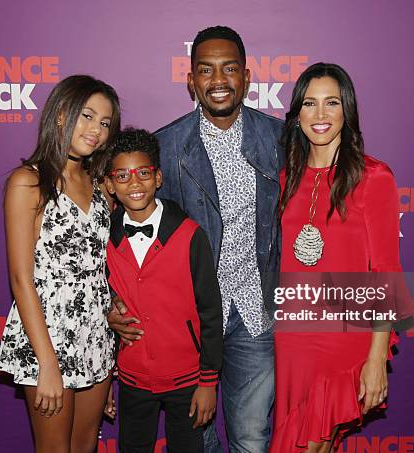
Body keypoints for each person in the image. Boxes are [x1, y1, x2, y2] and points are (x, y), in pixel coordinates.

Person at [107, 26, 284, 453]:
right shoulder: (164, 147)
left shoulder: (281, 139)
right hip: (185, 323)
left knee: (251, 436)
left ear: (246, 76)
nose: (218, 81)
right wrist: (112, 305)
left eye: (229, 69)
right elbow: (124, 236)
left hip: (254, 314)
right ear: (191, 80)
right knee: (195, 442)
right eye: (205, 70)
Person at [270, 63, 414, 453]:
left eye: (331, 103)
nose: (320, 115)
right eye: (310, 104)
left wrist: (377, 357)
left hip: (344, 337)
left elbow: (386, 272)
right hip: (292, 338)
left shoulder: (374, 177)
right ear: (297, 114)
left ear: (346, 111)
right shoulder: (285, 178)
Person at [0, 75, 120, 453]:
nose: (95, 130)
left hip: (96, 335)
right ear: (62, 115)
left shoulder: (101, 187)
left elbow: (101, 268)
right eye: (87, 115)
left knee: (85, 447)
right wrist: (47, 364)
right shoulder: (27, 183)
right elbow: (21, 280)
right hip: (46, 336)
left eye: (104, 123)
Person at [104, 128, 223, 453]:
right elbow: (98, 295)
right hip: (132, 379)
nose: (134, 183)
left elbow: (211, 312)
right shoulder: (105, 238)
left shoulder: (189, 236)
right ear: (111, 184)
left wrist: (209, 381)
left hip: (186, 378)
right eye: (123, 176)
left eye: (143, 172)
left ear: (158, 178)